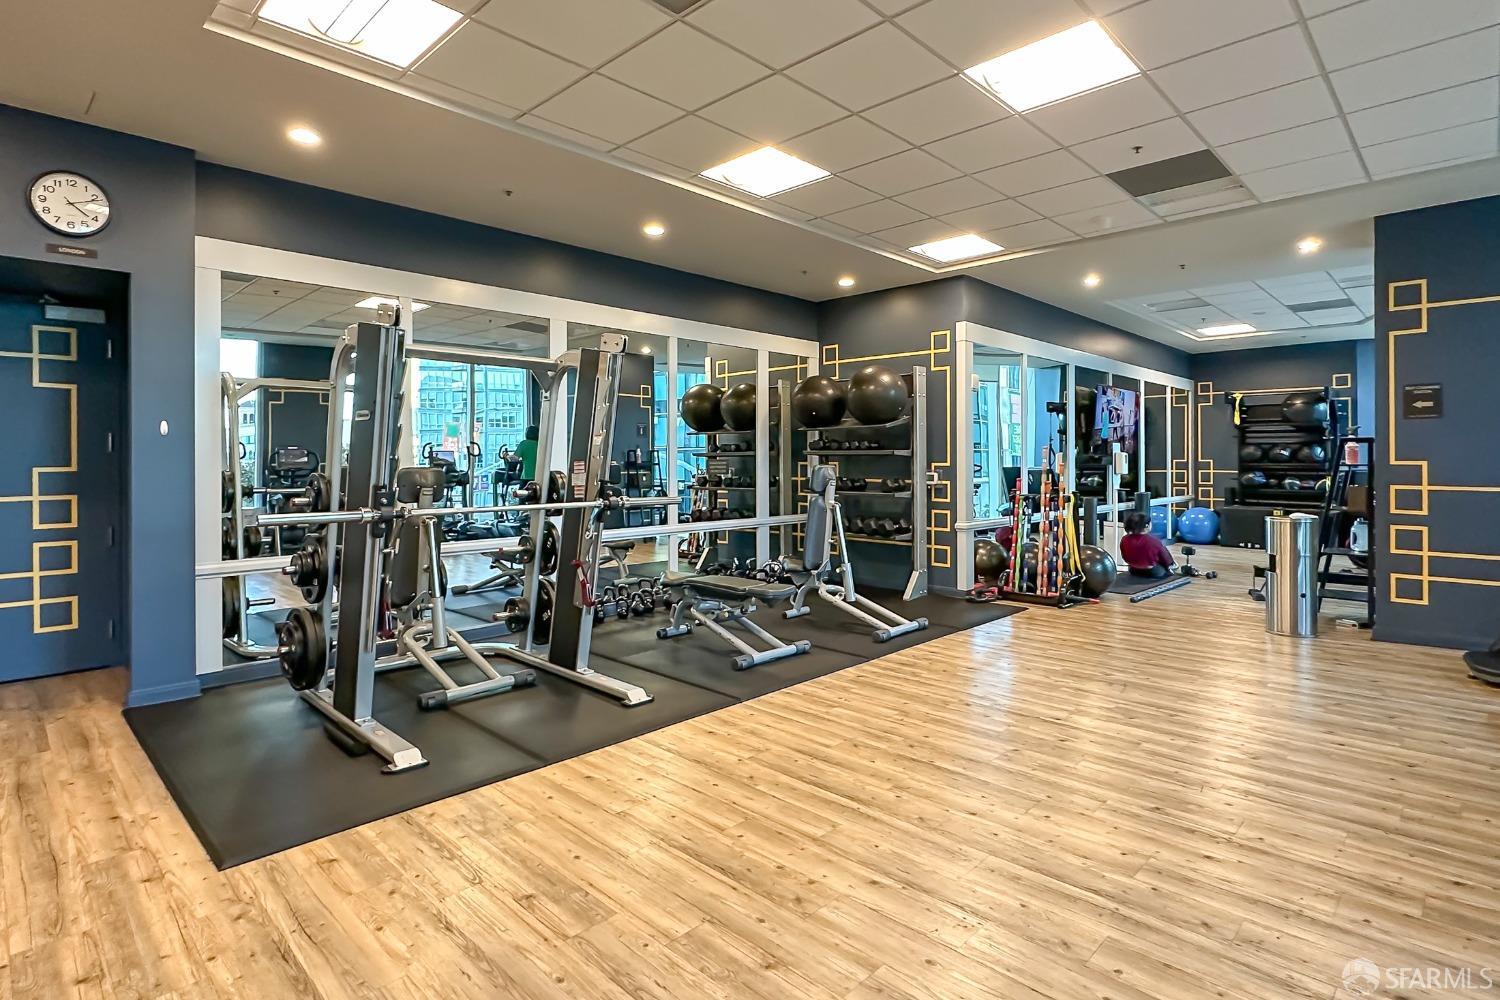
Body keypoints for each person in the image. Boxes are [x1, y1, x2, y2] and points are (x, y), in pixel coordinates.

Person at [1119, 511, 1175, 579]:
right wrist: (1170, 564)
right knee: (1165, 569)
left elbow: (1124, 555)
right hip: (1152, 572)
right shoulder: (1153, 540)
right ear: (1147, 526)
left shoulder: (1125, 539)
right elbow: (1165, 557)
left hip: (1133, 570)